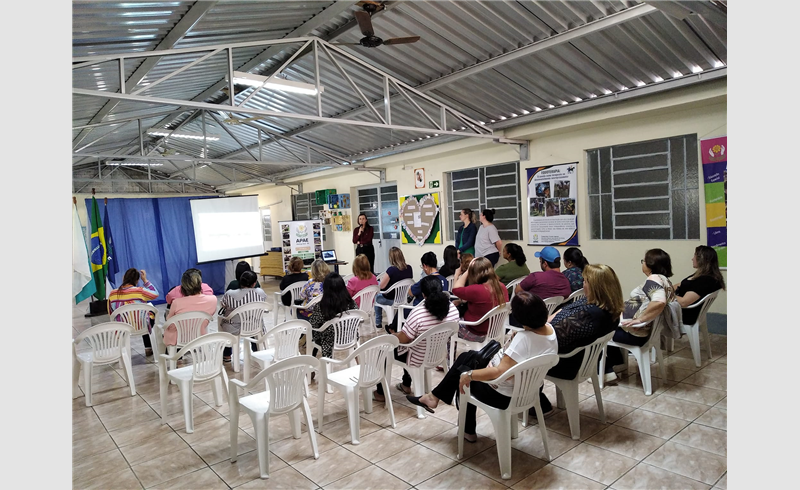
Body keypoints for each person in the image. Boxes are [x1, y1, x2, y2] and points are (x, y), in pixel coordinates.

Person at [405, 291, 557, 443]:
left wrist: (470, 375)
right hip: (531, 389)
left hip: (504, 395)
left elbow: (499, 372)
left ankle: (466, 428)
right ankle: (434, 398)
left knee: (464, 375)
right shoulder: (550, 331)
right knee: (468, 357)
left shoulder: (524, 339)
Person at [538, 264, 624, 414]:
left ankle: (535, 402)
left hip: (566, 362)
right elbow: (562, 311)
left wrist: (535, 331)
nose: (583, 284)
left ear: (595, 287)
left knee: (524, 353)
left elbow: (554, 338)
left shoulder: (590, 316)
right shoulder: (605, 308)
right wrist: (548, 322)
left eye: (585, 281)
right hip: (582, 359)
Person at [374, 275, 461, 401]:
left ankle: (381, 393)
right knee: (409, 344)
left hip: (417, 357)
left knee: (385, 350)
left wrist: (392, 336)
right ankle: (405, 384)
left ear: (423, 295)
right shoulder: (452, 309)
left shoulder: (419, 314)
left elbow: (403, 340)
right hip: (438, 354)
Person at [603, 248, 676, 382]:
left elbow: (659, 302)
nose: (642, 263)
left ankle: (606, 371)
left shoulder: (653, 279)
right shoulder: (666, 281)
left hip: (636, 334)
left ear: (650, 264)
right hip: (646, 333)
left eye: (643, 261)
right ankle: (617, 363)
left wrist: (641, 319)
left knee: (599, 332)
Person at [451, 257, 509, 344]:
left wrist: (464, 272)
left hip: (475, 331)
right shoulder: (502, 287)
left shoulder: (477, 290)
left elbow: (455, 289)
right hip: (494, 330)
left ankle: (450, 355)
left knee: (447, 327)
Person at [164, 269, 218, 352]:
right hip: (200, 333)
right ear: (200, 283)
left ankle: (177, 358)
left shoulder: (177, 302)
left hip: (178, 338)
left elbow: (169, 322)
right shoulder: (213, 300)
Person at [108, 268, 159, 356]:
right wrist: (145, 280)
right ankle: (148, 347)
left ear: (123, 278)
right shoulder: (140, 291)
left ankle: (123, 351)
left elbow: (110, 312)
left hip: (123, 327)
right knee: (148, 313)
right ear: (137, 280)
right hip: (141, 325)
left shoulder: (112, 294)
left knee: (142, 314)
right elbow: (155, 294)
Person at [218, 270, 267, 362]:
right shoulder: (260, 292)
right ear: (254, 283)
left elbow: (223, 305)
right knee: (251, 321)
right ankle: (257, 350)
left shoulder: (230, 294)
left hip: (234, 328)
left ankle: (227, 354)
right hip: (254, 326)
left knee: (222, 322)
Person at [307, 273, 357, 359]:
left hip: (329, 341)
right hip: (350, 337)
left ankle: (312, 361)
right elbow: (358, 316)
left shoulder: (321, 306)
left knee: (313, 331)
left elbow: (313, 324)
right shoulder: (351, 303)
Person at [674, 245, 725, 325]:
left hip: (685, 314)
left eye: (694, 256)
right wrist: (666, 288)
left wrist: (665, 294)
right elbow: (681, 284)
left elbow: (684, 302)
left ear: (701, 259)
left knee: (654, 309)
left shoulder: (705, 281)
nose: (692, 259)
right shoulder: (704, 275)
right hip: (685, 310)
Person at [374, 247, 414, 328]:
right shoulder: (409, 268)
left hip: (390, 299)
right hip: (403, 298)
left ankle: (378, 322)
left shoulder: (391, 270)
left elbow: (381, 287)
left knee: (376, 296)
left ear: (391, 258)